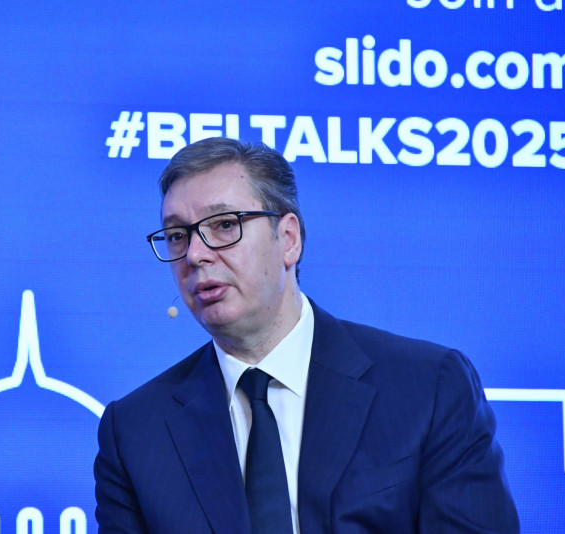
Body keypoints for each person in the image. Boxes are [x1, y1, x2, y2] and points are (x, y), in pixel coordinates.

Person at [94, 137, 519, 533]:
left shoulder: (426, 388)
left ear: (289, 240)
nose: (196, 254)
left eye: (224, 225)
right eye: (177, 236)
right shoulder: (136, 433)